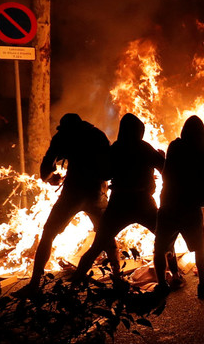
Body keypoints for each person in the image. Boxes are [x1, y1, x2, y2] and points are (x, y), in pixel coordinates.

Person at [71, 113, 179, 287]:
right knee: (165, 238)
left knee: (98, 244)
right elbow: (165, 169)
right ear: (139, 131)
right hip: (142, 201)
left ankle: (75, 282)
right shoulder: (144, 147)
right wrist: (162, 158)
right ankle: (175, 274)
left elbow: (105, 174)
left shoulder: (116, 148)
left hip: (119, 202)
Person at [15, 113, 110, 297]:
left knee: (48, 233)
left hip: (72, 194)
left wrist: (53, 178)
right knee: (106, 233)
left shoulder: (63, 137)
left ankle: (34, 284)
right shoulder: (98, 135)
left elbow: (45, 171)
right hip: (95, 193)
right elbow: (109, 170)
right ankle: (117, 276)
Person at [153, 116, 204, 299]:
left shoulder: (174, 146)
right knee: (199, 247)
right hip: (190, 208)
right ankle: (202, 286)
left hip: (168, 204)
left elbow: (166, 174)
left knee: (160, 247)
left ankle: (161, 286)